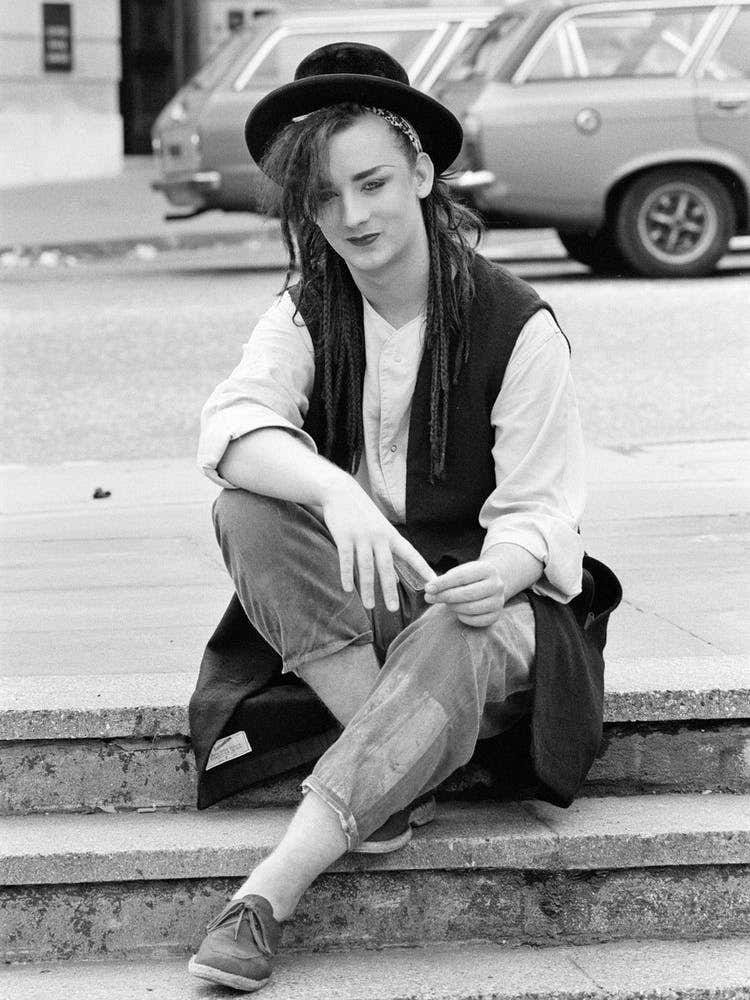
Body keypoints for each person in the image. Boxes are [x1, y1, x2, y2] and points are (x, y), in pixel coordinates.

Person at [187, 42, 621, 993]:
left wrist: (498, 573)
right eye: (325, 198)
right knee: (249, 506)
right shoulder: (309, 309)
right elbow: (232, 424)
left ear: (422, 173)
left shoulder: (518, 324)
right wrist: (334, 491)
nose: (353, 217)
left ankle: (268, 893)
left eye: (373, 182)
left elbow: (545, 518)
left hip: (494, 612)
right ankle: (397, 770)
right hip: (368, 605)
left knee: (461, 631)